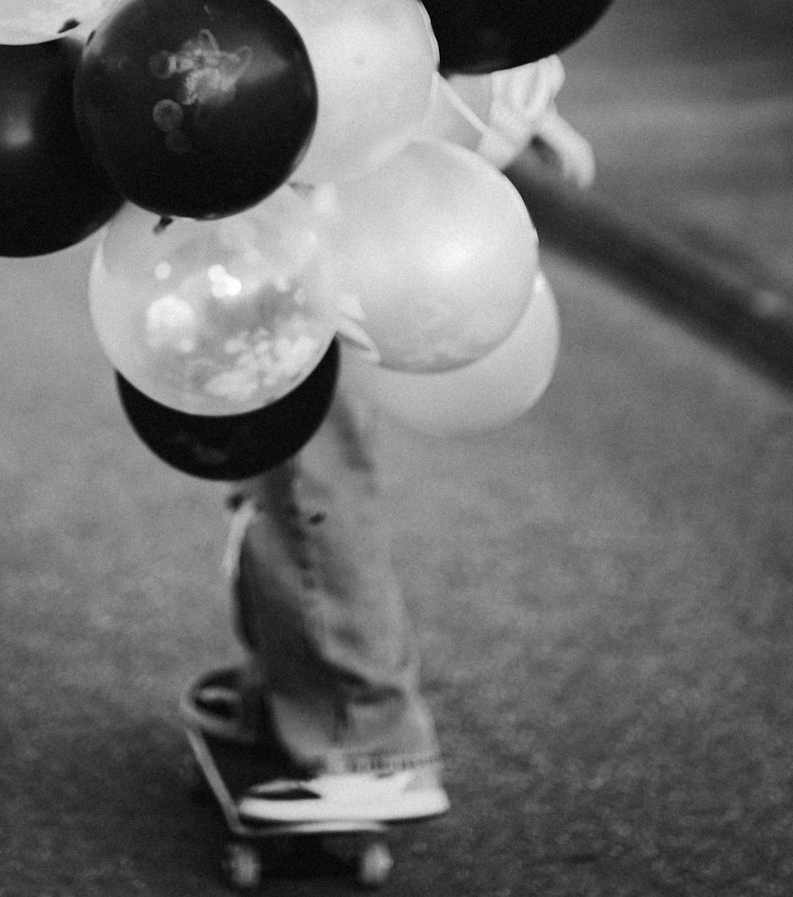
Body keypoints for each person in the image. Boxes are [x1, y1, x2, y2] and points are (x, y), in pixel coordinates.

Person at [180, 58, 594, 827]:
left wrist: (527, 103)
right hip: (295, 190)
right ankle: (289, 683)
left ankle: (375, 745)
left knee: (308, 468)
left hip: (332, 211)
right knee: (273, 458)